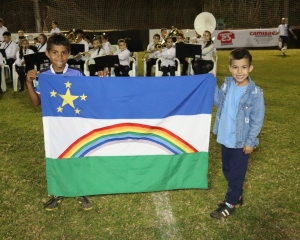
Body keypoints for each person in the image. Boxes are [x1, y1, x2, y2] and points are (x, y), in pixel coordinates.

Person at [26, 33, 94, 211]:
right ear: (47, 54)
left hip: (75, 124)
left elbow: (89, 96)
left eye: (64, 53)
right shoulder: (44, 77)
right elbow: (35, 102)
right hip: (55, 126)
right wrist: (28, 83)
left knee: (77, 154)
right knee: (58, 156)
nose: (60, 57)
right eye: (55, 53)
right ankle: (59, 190)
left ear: (69, 53)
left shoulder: (76, 74)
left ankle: (80, 190)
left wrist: (100, 81)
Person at [210, 48, 265, 220]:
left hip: (241, 142)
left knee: (236, 174)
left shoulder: (255, 93)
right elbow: (218, 101)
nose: (239, 72)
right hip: (225, 138)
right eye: (235, 67)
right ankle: (237, 194)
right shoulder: (227, 84)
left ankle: (230, 203)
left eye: (243, 67)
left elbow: (257, 119)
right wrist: (212, 84)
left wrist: (251, 141)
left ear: (250, 68)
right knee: (227, 169)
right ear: (230, 67)